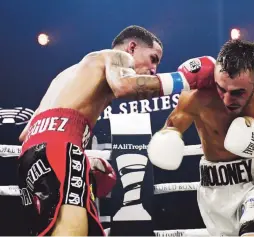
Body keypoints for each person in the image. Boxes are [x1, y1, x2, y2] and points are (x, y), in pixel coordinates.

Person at [17, 25, 215, 236]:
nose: (154, 69)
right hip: (61, 149)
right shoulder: (113, 57)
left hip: (29, 157)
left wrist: (81, 157)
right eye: (153, 58)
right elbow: (123, 86)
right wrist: (183, 80)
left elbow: (26, 133)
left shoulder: (64, 76)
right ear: (131, 47)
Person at [148, 39, 254, 236]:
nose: (226, 99)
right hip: (214, 189)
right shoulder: (197, 95)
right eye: (221, 89)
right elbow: (171, 128)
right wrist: (168, 136)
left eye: (237, 93)